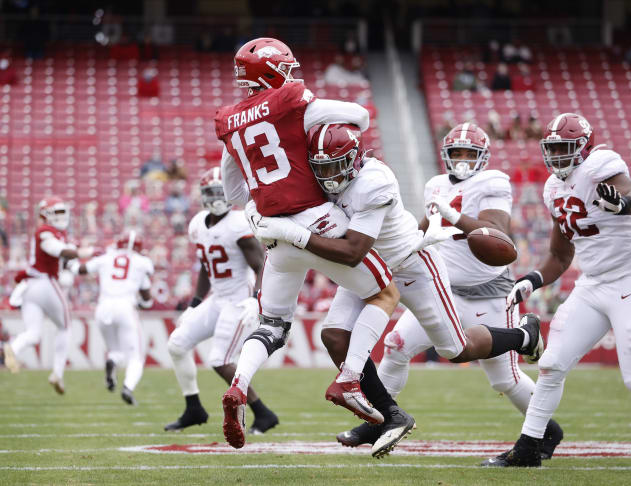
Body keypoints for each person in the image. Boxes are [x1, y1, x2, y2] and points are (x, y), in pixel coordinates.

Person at [251, 123, 545, 457]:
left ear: (356, 160)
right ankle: (389, 416)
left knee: (455, 350)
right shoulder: (426, 184)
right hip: (372, 266)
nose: (329, 175)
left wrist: (295, 235)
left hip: (408, 267)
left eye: (336, 165)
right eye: (322, 167)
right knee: (335, 337)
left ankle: (524, 336)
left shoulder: (375, 181)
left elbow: (352, 250)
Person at [334, 123, 562, 460]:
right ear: (445, 155)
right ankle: (379, 420)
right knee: (396, 347)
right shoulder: (435, 185)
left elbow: (496, 233)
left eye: (470, 153)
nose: (463, 159)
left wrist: (456, 216)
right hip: (442, 289)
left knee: (505, 380)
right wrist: (413, 237)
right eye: (457, 153)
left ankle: (547, 431)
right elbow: (427, 224)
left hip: (488, 291)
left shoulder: (493, 182)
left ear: (483, 157)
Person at [216, 37, 400, 449]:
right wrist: (308, 105)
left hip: (272, 234)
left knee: (272, 325)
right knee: (385, 292)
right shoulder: (297, 102)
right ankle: (350, 378)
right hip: (316, 219)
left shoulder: (230, 121)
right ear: (274, 71)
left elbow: (232, 194)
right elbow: (361, 117)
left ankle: (241, 386)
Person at [483, 113, 631, 467]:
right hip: (591, 285)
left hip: (630, 279)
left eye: (565, 148)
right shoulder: (552, 188)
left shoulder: (599, 166)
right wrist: (529, 281)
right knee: (550, 364)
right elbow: (560, 256)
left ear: (584, 148)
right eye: (553, 148)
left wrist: (623, 204)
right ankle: (528, 448)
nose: (558, 155)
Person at [164, 168, 278, 434]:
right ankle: (193, 408)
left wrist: (254, 300)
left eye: (220, 191)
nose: (216, 197)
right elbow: (207, 266)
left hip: (238, 300)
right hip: (217, 298)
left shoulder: (238, 222)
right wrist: (194, 303)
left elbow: (260, 264)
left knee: (220, 360)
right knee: (177, 344)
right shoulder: (198, 223)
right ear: (203, 196)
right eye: (211, 192)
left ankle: (263, 413)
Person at [3, 197, 94, 393]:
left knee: (33, 334)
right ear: (46, 215)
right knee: (65, 327)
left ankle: (13, 348)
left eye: (63, 212)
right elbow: (60, 251)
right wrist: (86, 251)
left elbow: (71, 264)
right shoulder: (45, 232)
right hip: (45, 282)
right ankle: (58, 373)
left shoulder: (59, 236)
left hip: (30, 287)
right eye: (57, 213)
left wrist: (89, 265)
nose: (62, 217)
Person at [70, 231, 154, 405]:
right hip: (125, 307)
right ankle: (128, 388)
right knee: (136, 357)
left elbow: (79, 269)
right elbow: (147, 299)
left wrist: (70, 258)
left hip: (103, 307)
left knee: (115, 350)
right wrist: (142, 304)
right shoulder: (142, 262)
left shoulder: (106, 257)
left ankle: (111, 361)